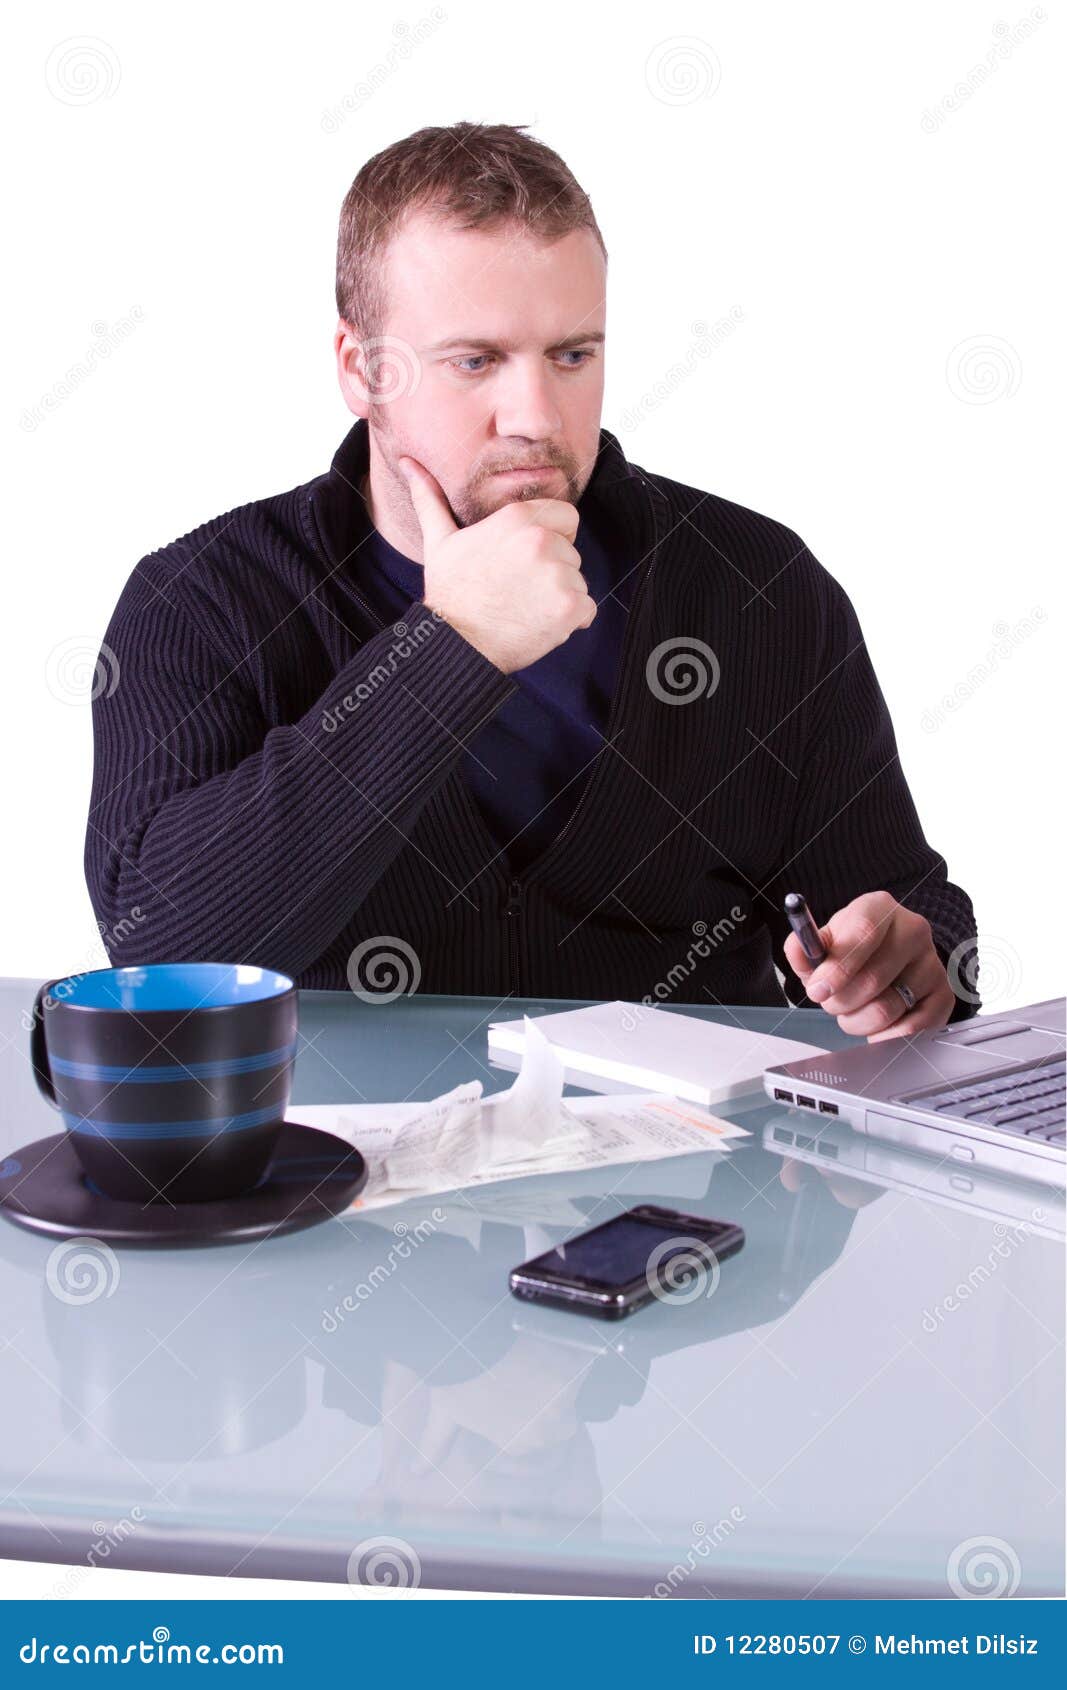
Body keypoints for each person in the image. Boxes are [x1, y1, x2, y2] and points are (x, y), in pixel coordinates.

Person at [84, 122, 979, 1039]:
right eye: (475, 361)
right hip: (345, 1167)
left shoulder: (758, 589)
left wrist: (914, 962)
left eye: (571, 355)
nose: (535, 416)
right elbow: (161, 955)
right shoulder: (200, 600)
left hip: (689, 1171)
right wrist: (451, 649)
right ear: (361, 370)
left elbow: (908, 907)